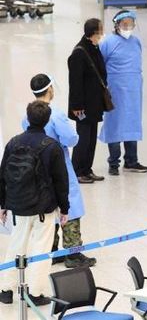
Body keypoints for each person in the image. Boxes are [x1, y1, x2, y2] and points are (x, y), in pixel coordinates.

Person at [0, 101, 69, 306]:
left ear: (28, 118)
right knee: (41, 249)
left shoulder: (13, 142)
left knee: (16, 246)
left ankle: (5, 288)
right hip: (44, 207)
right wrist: (64, 209)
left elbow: (3, 174)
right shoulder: (51, 146)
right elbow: (60, 180)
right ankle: (35, 293)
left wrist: (3, 204)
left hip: (19, 206)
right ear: (47, 120)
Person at [24, 74, 95, 269]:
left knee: (48, 207)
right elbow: (71, 138)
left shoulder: (28, 115)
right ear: (50, 90)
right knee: (69, 206)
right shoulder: (55, 115)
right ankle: (73, 253)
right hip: (59, 166)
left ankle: (52, 250)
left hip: (38, 169)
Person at [98, 10, 147, 176]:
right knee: (115, 123)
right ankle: (113, 162)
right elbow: (100, 65)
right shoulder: (108, 43)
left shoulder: (136, 42)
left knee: (132, 123)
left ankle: (131, 161)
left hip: (134, 89)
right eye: (124, 24)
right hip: (115, 89)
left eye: (131, 24)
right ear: (116, 25)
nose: (128, 27)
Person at [67, 18, 107, 184]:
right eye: (100, 31)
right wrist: (76, 106)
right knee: (83, 139)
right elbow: (75, 82)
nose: (102, 34)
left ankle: (87, 169)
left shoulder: (93, 48)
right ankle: (77, 171)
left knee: (91, 139)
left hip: (94, 104)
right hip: (82, 107)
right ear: (93, 33)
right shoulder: (79, 53)